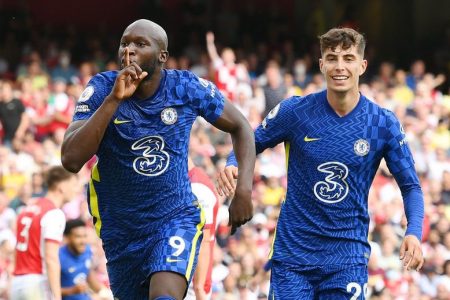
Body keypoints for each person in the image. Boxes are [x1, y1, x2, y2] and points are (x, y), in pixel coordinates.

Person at [217, 27, 425, 299]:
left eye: (348, 58)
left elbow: (411, 187)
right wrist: (233, 162)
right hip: (293, 257)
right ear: (321, 64)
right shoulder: (296, 111)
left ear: (362, 66)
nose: (340, 67)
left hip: (347, 258)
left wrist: (414, 232)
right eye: (332, 58)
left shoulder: (381, 123)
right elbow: (250, 141)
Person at [61, 19, 255, 300]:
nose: (130, 50)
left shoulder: (185, 87)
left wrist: (244, 190)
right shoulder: (102, 88)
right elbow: (70, 158)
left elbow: (242, 127)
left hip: (174, 218)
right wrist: (113, 101)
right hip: (121, 230)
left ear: (161, 57)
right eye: (125, 43)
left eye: (141, 44)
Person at [11, 166, 77, 300]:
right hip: (36, 284)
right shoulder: (54, 213)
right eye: (73, 185)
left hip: (17, 284)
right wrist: (57, 296)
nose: (76, 190)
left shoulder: (28, 208)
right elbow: (51, 257)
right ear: (62, 186)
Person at [185, 158, 219, 300]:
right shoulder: (192, 180)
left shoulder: (197, 187)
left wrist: (198, 287)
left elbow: (203, 240)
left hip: (193, 282)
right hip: (187, 276)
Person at [59, 218, 111, 300]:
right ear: (67, 238)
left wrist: (105, 293)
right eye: (78, 237)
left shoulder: (87, 250)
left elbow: (89, 275)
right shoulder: (58, 257)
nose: (83, 241)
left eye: (84, 236)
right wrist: (71, 291)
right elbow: (49, 291)